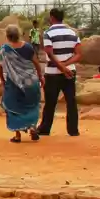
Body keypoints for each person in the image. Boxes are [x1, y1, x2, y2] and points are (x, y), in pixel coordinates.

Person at [0, 23, 43, 143]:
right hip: (31, 81)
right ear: (19, 34)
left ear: (7, 36)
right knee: (32, 105)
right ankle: (33, 128)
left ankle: (17, 135)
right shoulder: (28, 47)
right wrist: (40, 77)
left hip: (14, 83)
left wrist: (2, 80)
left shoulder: (4, 50)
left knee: (13, 107)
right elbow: (36, 63)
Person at [38, 8, 81, 137]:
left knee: (50, 101)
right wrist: (66, 65)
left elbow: (49, 53)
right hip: (70, 72)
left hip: (52, 72)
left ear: (52, 17)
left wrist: (60, 67)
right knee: (71, 101)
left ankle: (45, 128)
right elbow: (79, 54)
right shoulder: (73, 33)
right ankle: (73, 130)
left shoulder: (48, 33)